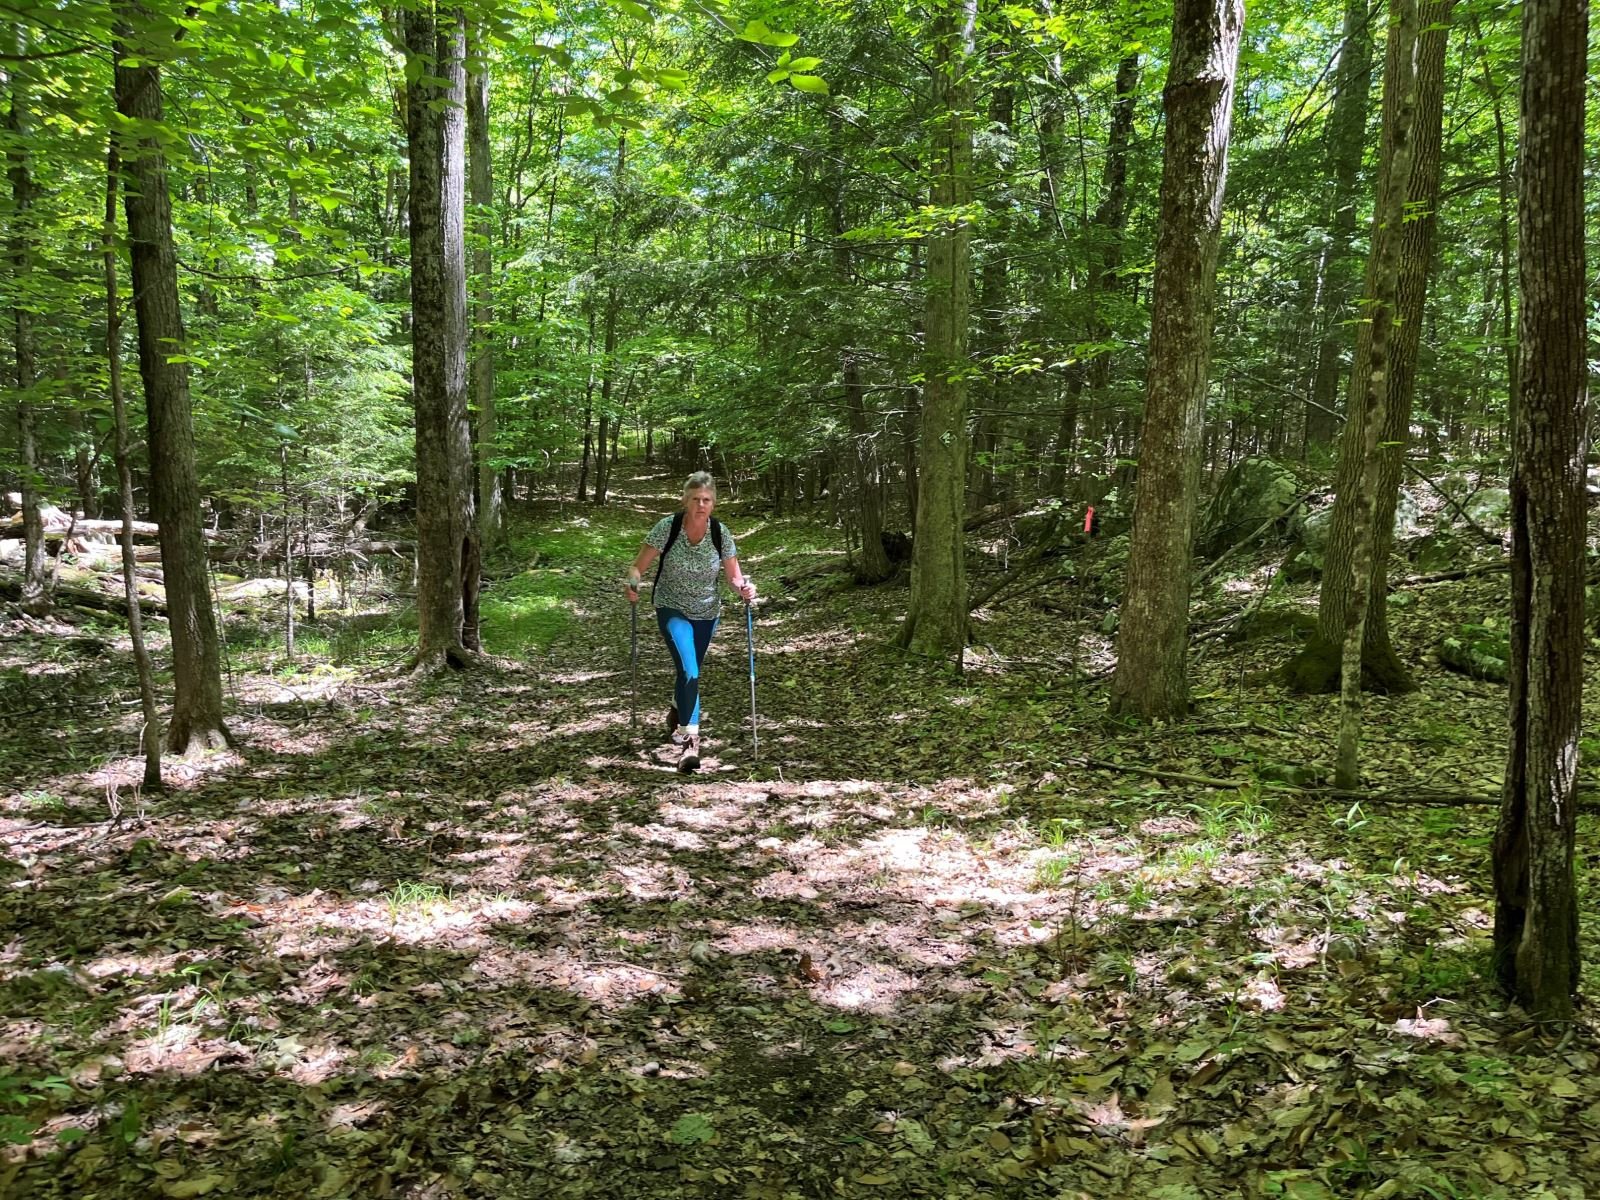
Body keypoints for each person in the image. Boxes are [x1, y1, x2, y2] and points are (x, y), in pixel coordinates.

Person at [624, 472, 756, 771]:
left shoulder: (721, 533)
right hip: (671, 607)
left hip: (707, 612)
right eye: (695, 499)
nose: (701, 504)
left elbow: (734, 577)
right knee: (689, 668)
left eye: (706, 500)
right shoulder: (667, 528)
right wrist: (632, 583)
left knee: (689, 673)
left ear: (713, 504)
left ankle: (676, 707)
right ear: (685, 500)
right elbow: (637, 567)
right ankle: (690, 742)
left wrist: (745, 589)